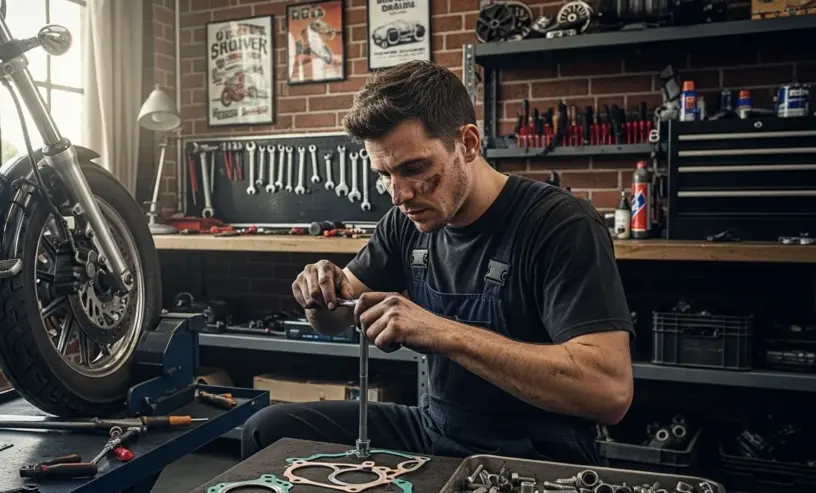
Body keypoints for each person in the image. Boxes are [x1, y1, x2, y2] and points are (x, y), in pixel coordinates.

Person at [241, 61, 635, 465]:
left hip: (535, 449)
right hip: (435, 430)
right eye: (384, 175)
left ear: (467, 143)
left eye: (415, 169)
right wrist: (318, 295)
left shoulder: (560, 224)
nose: (399, 194)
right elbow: (334, 321)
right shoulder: (405, 221)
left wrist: (441, 332)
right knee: (267, 429)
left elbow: (609, 393)